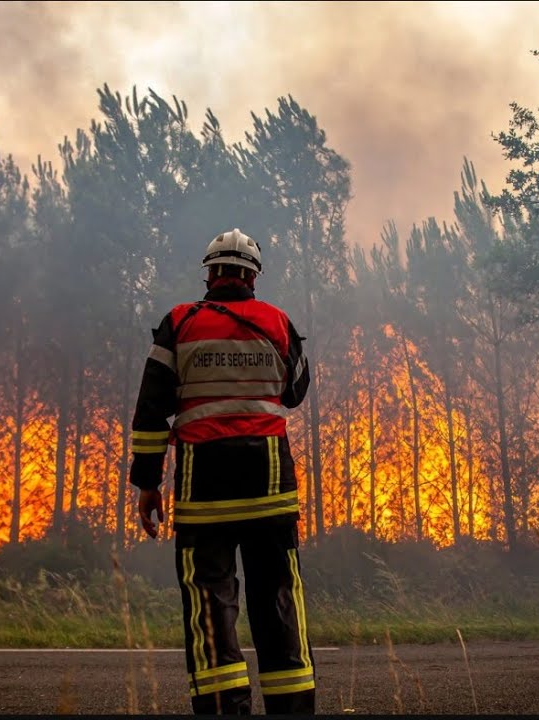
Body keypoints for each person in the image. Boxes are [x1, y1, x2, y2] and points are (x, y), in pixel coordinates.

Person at [127, 228, 314, 714]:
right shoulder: (277, 322)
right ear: (253, 276)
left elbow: (150, 413)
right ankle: (292, 709)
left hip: (203, 490)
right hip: (269, 487)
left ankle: (223, 709)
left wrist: (148, 484)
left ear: (209, 273)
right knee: (278, 601)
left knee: (210, 605)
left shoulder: (179, 322)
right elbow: (295, 391)